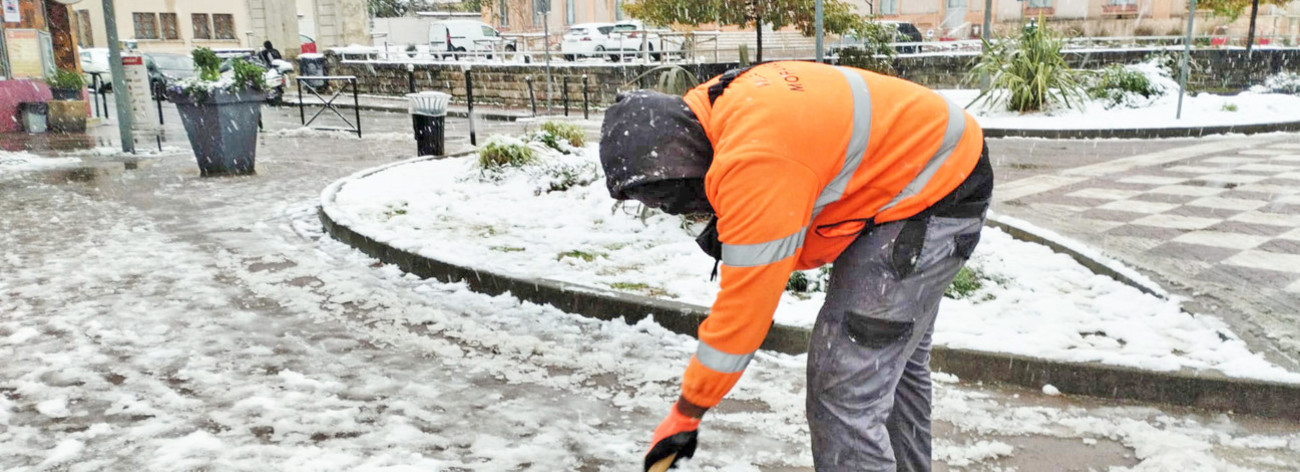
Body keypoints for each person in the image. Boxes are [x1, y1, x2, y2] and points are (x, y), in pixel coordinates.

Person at [599, 60, 994, 471]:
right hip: (936, 159)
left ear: (682, 160)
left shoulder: (756, 161)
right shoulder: (714, 107)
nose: (679, 210)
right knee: (892, 367)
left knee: (844, 390)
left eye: (672, 200)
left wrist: (687, 412)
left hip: (932, 188)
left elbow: (744, 313)